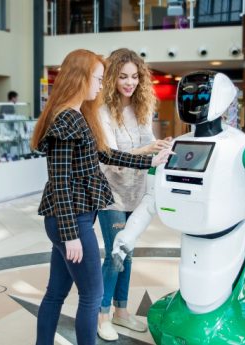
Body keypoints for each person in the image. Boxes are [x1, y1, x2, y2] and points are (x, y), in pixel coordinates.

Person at [30, 49, 172, 345]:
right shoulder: (66, 120)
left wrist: (150, 162)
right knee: (92, 295)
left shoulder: (79, 116)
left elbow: (105, 153)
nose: (100, 84)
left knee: (56, 293)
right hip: (70, 221)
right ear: (80, 79)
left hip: (72, 219)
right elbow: (59, 183)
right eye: (97, 78)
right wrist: (71, 235)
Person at [97, 48, 172, 341]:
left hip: (136, 192)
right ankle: (102, 315)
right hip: (111, 194)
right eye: (123, 76)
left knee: (127, 253)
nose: (129, 82)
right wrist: (148, 151)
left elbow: (148, 140)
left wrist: (162, 144)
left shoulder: (141, 109)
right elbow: (111, 156)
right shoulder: (102, 111)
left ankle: (122, 312)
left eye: (134, 77)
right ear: (112, 77)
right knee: (115, 253)